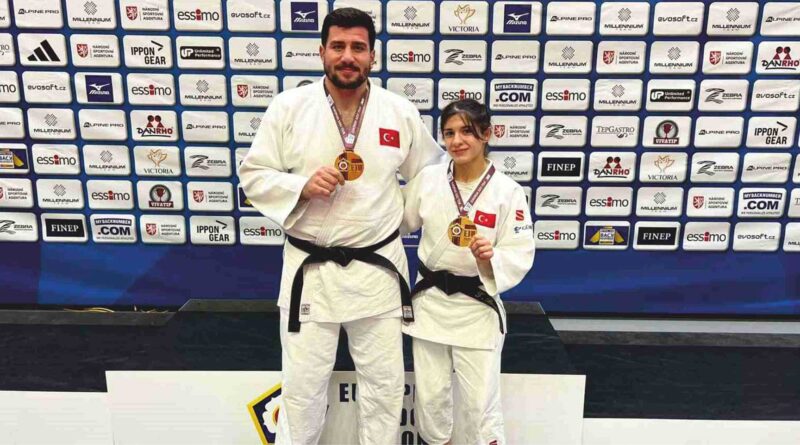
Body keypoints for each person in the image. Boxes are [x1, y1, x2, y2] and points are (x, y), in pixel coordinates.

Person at [238, 7, 444, 444]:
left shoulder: (398, 111)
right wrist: (299, 186)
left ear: (373, 55)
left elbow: (430, 176)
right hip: (311, 273)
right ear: (321, 52)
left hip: (377, 271)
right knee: (302, 391)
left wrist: (398, 222)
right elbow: (253, 175)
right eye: (338, 46)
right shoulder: (289, 108)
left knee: (385, 388)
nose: (347, 56)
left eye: (358, 47)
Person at [401, 99, 535, 444]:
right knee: (430, 399)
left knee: (480, 406)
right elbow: (397, 220)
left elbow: (520, 251)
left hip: (476, 308)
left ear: (486, 135)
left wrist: (491, 258)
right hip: (430, 305)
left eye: (466, 132)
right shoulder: (429, 180)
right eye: (449, 133)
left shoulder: (507, 192)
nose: (456, 141)